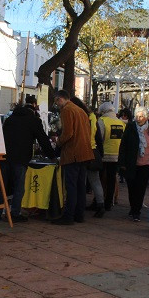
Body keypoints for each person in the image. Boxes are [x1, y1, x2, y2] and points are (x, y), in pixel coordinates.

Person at [1, 95, 56, 222]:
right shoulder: (33, 120)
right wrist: (52, 156)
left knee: (2, 185)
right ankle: (15, 213)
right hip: (21, 158)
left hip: (4, 156)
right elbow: (42, 139)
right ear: (34, 108)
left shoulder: (10, 119)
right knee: (19, 186)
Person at [52, 90, 94, 225]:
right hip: (84, 152)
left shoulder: (66, 110)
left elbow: (68, 133)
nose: (57, 105)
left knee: (71, 186)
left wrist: (58, 143)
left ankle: (69, 216)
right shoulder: (81, 110)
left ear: (60, 99)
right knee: (81, 186)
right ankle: (79, 214)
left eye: (56, 101)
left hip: (73, 153)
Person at [118, 106, 149, 222]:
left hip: (146, 163)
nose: (138, 118)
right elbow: (123, 145)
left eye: (141, 116)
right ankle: (133, 207)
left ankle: (137, 211)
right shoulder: (130, 127)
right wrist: (122, 162)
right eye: (137, 116)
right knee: (131, 187)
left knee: (141, 188)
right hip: (132, 162)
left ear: (146, 117)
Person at [73, 98, 104, 212]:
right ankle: (100, 204)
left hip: (82, 150)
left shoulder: (79, 116)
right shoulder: (92, 116)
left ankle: (79, 205)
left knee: (80, 181)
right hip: (94, 150)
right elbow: (98, 137)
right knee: (95, 180)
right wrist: (100, 153)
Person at [95, 101, 125, 218]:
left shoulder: (102, 121)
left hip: (104, 155)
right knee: (112, 179)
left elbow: (99, 138)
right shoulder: (121, 122)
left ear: (103, 111)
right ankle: (108, 203)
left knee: (100, 179)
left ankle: (99, 201)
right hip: (116, 155)